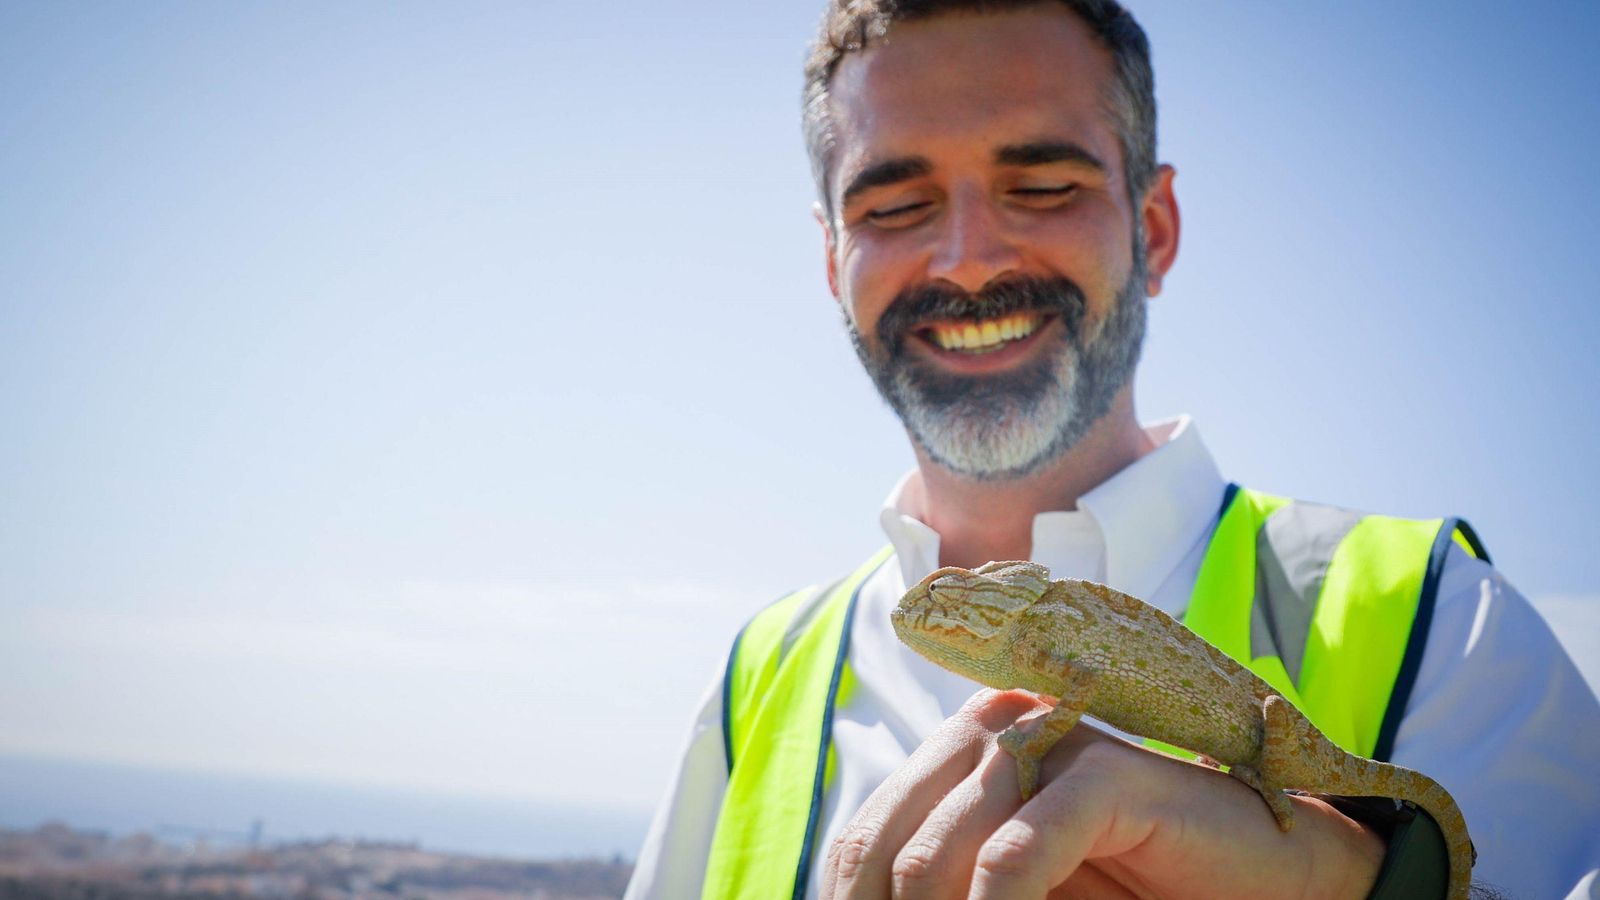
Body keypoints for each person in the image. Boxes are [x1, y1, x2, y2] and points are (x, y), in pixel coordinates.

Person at [624, 1, 1600, 898]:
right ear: (833, 260)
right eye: (892, 207)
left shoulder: (1440, 622)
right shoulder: (757, 685)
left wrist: (1360, 882)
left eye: (1045, 186)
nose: (969, 259)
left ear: (1155, 227)